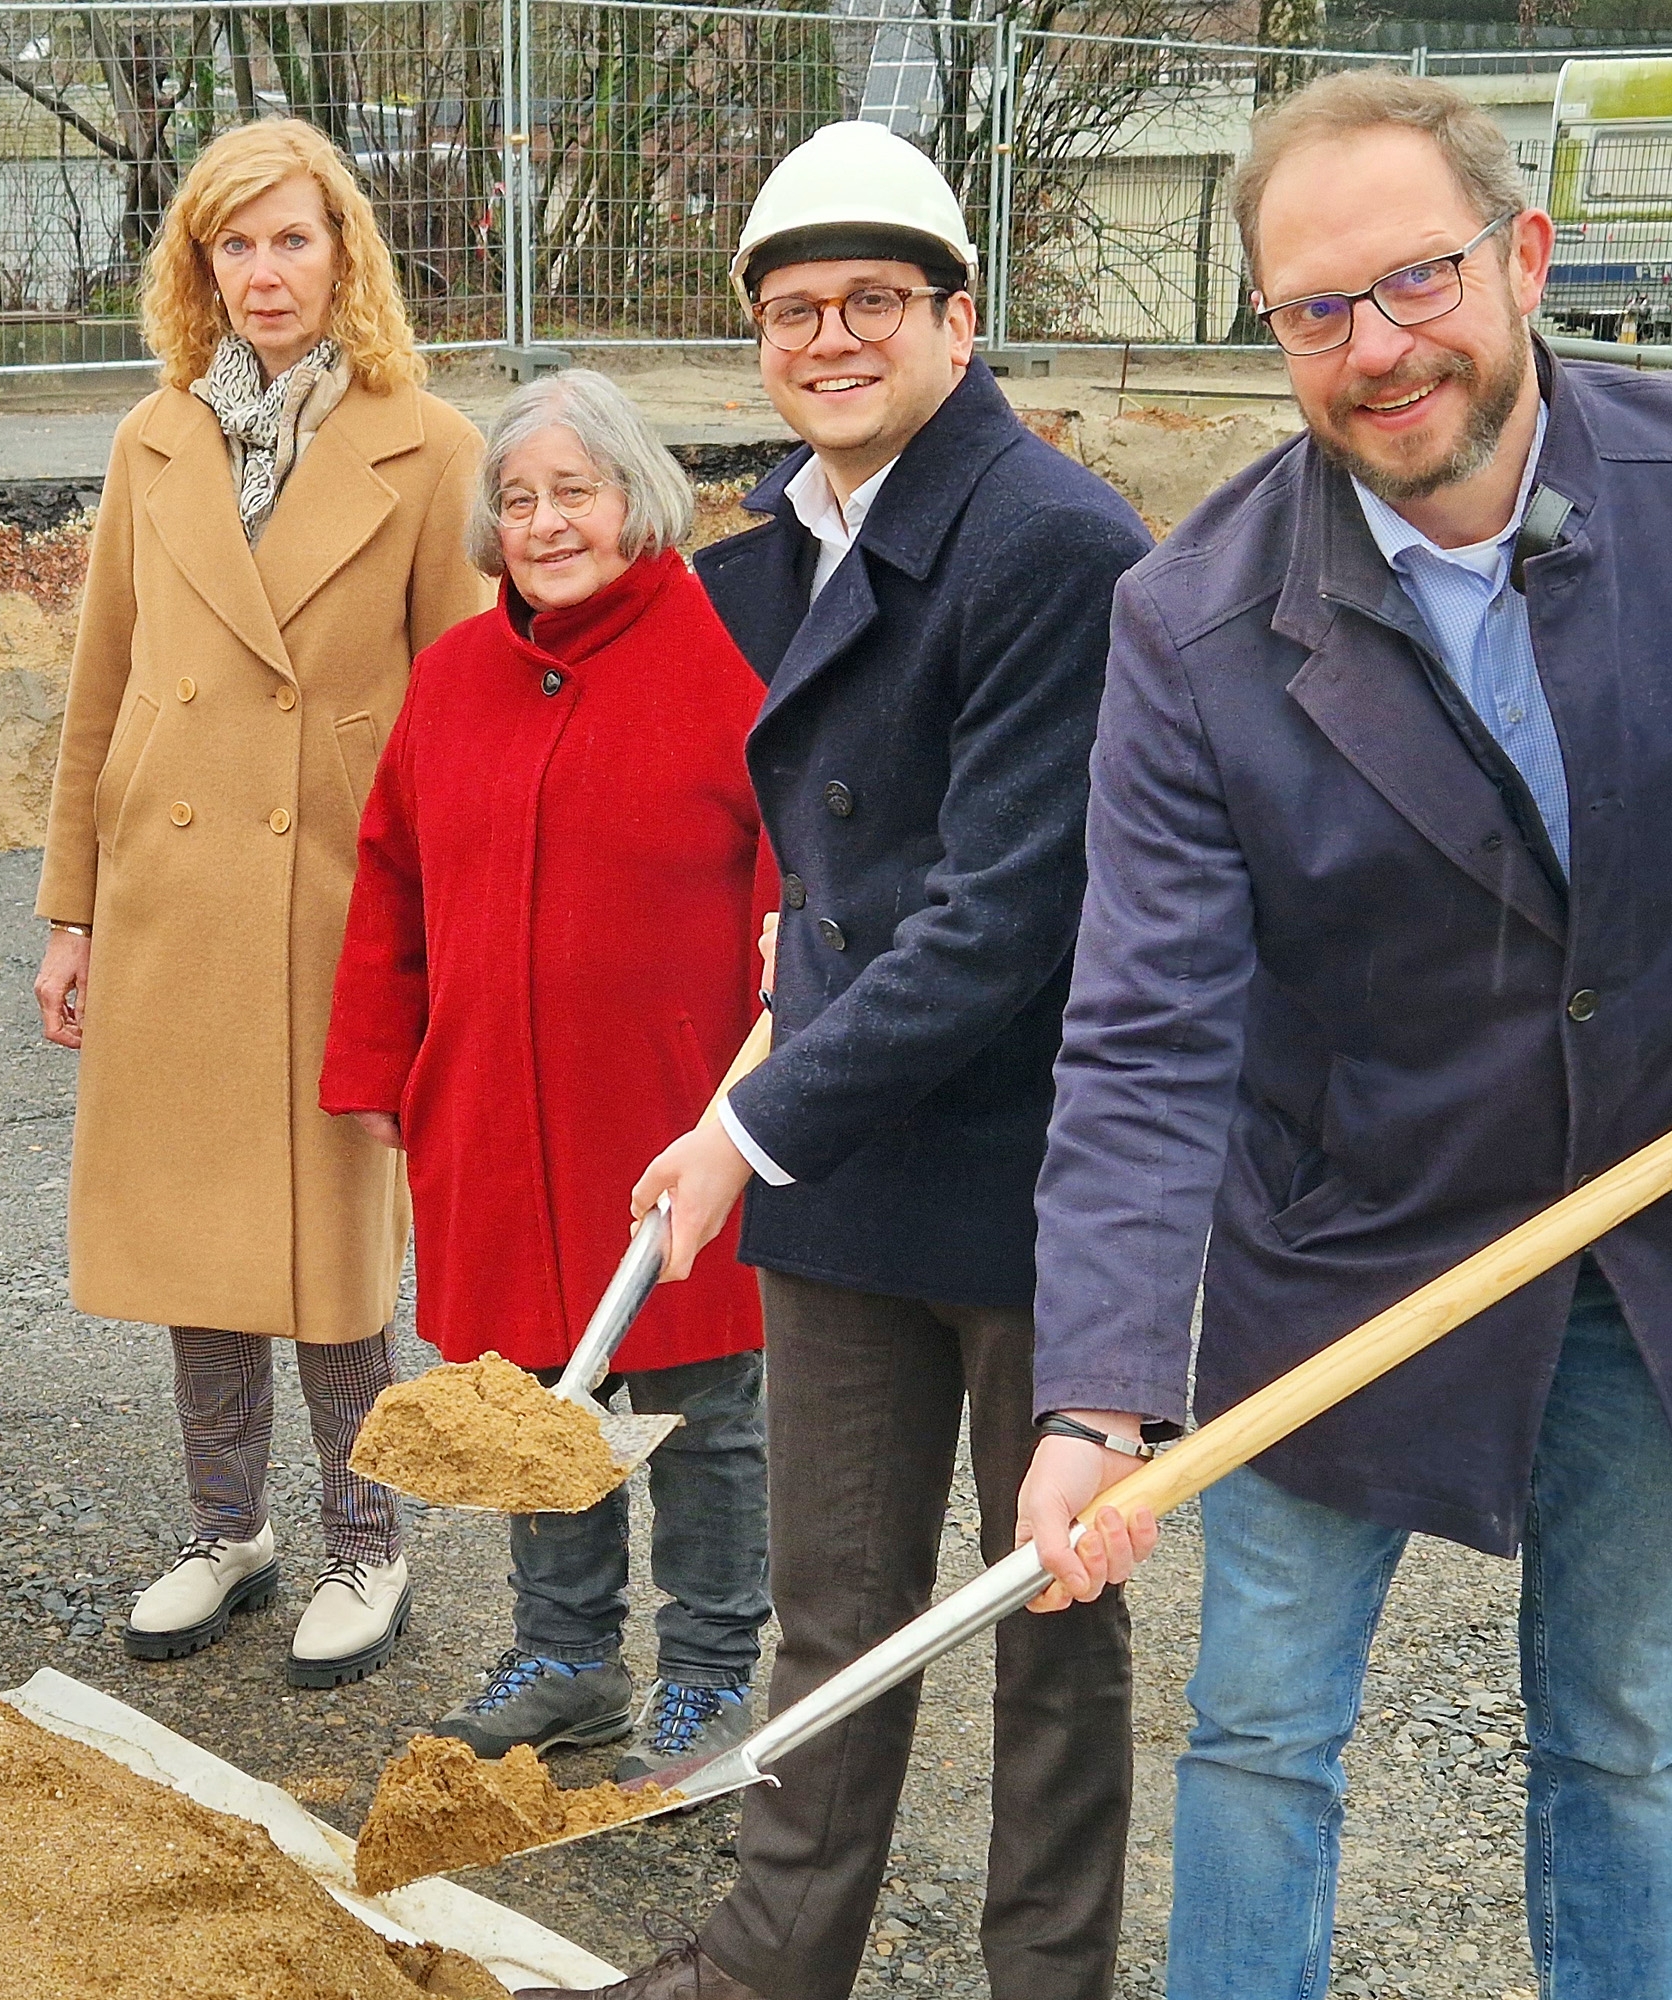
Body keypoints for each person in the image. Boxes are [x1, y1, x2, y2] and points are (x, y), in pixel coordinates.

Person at [1015, 72, 1672, 2000]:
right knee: (1260, 1740)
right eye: (1315, 309)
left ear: (1524, 259)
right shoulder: (1192, 626)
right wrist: (1098, 1394)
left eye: (1415, 278)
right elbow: (1148, 1026)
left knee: (1623, 1739)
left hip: (1666, 1225)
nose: (1377, 347)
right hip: (1347, 1240)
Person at [545, 123, 1154, 2000]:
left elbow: (1003, 913)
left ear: (960, 322)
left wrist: (749, 1123)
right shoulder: (788, 544)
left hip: (1037, 1164)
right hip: (849, 1156)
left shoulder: (1051, 540)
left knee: (1049, 1611)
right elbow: (825, 858)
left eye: (874, 301)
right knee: (834, 1609)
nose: (830, 339)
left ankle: (1045, 1979)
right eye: (794, 310)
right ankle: (771, 1964)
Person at [35, 117, 488, 1689]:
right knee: (193, 1226)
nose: (265, 270)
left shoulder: (430, 445)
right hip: (169, 890)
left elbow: (462, 709)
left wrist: (448, 934)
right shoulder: (154, 437)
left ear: (344, 251)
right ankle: (225, 1529)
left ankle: (370, 1542)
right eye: (234, 243)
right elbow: (103, 682)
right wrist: (72, 910)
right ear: (200, 267)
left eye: (293, 237)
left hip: (335, 897)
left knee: (333, 1239)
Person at [320, 368, 773, 1782]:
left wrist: (779, 1085)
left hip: (675, 1113)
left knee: (702, 1407)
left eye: (576, 491)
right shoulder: (455, 677)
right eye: (518, 500)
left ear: (638, 499)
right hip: (492, 1111)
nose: (546, 523)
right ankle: (568, 1657)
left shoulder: (729, 660)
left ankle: (710, 1673)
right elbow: (390, 881)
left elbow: (794, 887)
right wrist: (381, 1063)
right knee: (529, 1395)